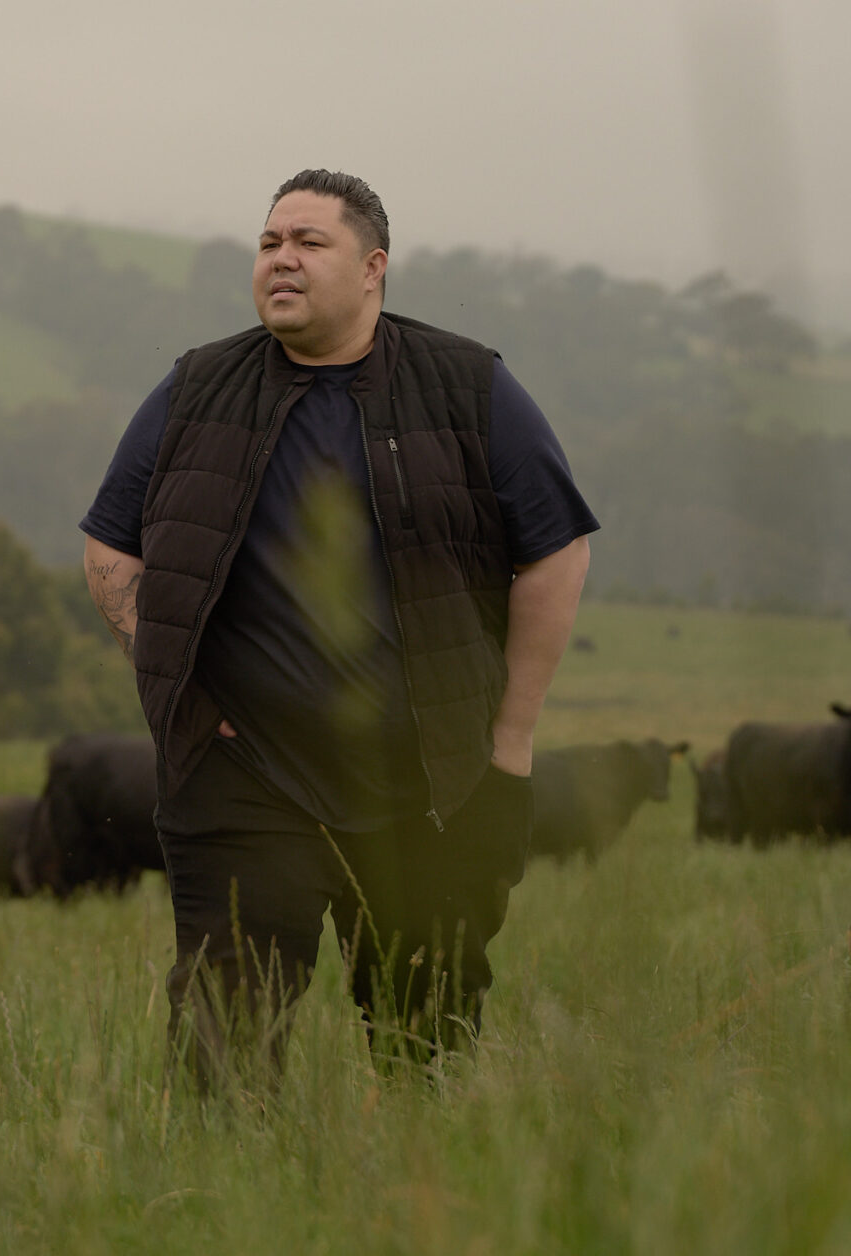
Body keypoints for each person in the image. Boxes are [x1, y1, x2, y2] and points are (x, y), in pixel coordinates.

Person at [79, 169, 596, 1086]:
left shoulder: (466, 385)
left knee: (426, 1044)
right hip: (244, 780)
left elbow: (554, 553)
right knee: (222, 1045)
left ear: (373, 268)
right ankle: (218, 1218)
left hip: (432, 782)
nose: (282, 259)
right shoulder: (199, 388)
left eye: (309, 243)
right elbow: (110, 550)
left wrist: (509, 741)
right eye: (270, 242)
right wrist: (184, 695)